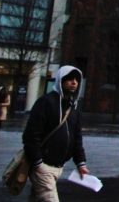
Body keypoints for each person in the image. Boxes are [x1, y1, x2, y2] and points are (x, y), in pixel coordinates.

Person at [23, 66, 89, 201]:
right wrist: (38, 163)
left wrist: (81, 163)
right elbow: (31, 135)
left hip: (58, 167)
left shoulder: (73, 108)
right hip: (43, 167)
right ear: (60, 80)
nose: (74, 82)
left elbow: (76, 138)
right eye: (70, 79)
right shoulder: (46, 102)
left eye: (77, 80)